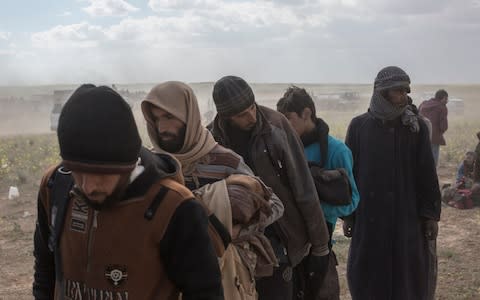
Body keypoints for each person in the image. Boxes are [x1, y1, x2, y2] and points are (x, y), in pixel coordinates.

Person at [33, 85, 223, 300]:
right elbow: (45, 270)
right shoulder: (55, 185)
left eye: (102, 175)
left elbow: (205, 292)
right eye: (78, 173)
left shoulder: (173, 207)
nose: (88, 186)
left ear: (128, 166)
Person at [141, 81, 284, 299]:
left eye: (169, 117)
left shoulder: (226, 161)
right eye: (156, 119)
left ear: (188, 116)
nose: (162, 129)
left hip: (224, 279)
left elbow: (274, 205)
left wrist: (233, 232)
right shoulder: (150, 165)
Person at [210, 75, 330, 300]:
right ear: (226, 117)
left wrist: (320, 245)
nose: (251, 116)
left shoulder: (276, 126)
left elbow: (304, 187)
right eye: (241, 115)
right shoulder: (213, 139)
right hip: (237, 244)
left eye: (252, 108)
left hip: (280, 237)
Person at [345, 66, 441, 300]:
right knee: (368, 279)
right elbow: (349, 176)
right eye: (398, 91)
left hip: (407, 219)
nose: (404, 96)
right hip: (369, 219)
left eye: (405, 91)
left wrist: (430, 215)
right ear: (381, 93)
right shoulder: (359, 126)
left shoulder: (415, 127)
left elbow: (427, 175)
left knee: (408, 280)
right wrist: (349, 215)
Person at [277, 86, 360, 299]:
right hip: (286, 249)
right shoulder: (282, 147)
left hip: (319, 249)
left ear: (306, 114)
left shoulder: (336, 151)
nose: (284, 126)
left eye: (289, 119)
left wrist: (311, 209)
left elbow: (351, 201)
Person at [419, 89, 449, 167]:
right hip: (434, 136)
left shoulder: (423, 104)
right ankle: (431, 175)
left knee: (422, 155)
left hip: (421, 135)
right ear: (442, 98)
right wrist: (441, 131)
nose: (447, 101)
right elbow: (443, 126)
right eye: (446, 99)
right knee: (433, 157)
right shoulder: (442, 108)